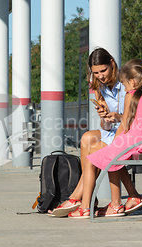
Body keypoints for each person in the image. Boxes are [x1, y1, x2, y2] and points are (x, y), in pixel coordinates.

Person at [86, 58, 142, 217]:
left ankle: (113, 204)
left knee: (109, 155)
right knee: (112, 154)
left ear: (132, 83)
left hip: (135, 141)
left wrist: (115, 142)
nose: (125, 88)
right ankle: (130, 197)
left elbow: (124, 124)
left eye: (125, 84)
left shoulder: (131, 96)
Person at [51, 47, 127, 217]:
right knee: (86, 138)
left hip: (128, 130)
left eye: (103, 70)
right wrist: (105, 117)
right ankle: (84, 197)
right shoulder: (101, 87)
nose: (100, 75)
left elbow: (134, 118)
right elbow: (106, 127)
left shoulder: (126, 84)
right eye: (96, 72)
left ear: (112, 64)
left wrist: (118, 117)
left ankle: (80, 199)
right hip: (113, 130)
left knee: (98, 147)